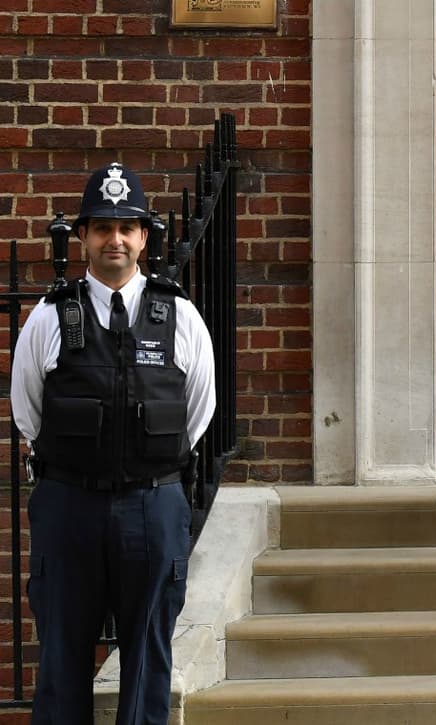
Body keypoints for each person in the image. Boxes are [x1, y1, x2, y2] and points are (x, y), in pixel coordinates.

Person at [10, 162, 216, 724]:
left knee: (148, 654)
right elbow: (28, 411)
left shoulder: (181, 316)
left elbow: (198, 413)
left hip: (152, 504)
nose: (115, 239)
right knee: (61, 655)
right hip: (68, 504)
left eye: (127, 227)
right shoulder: (52, 317)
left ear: (144, 236)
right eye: (101, 227)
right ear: (83, 238)